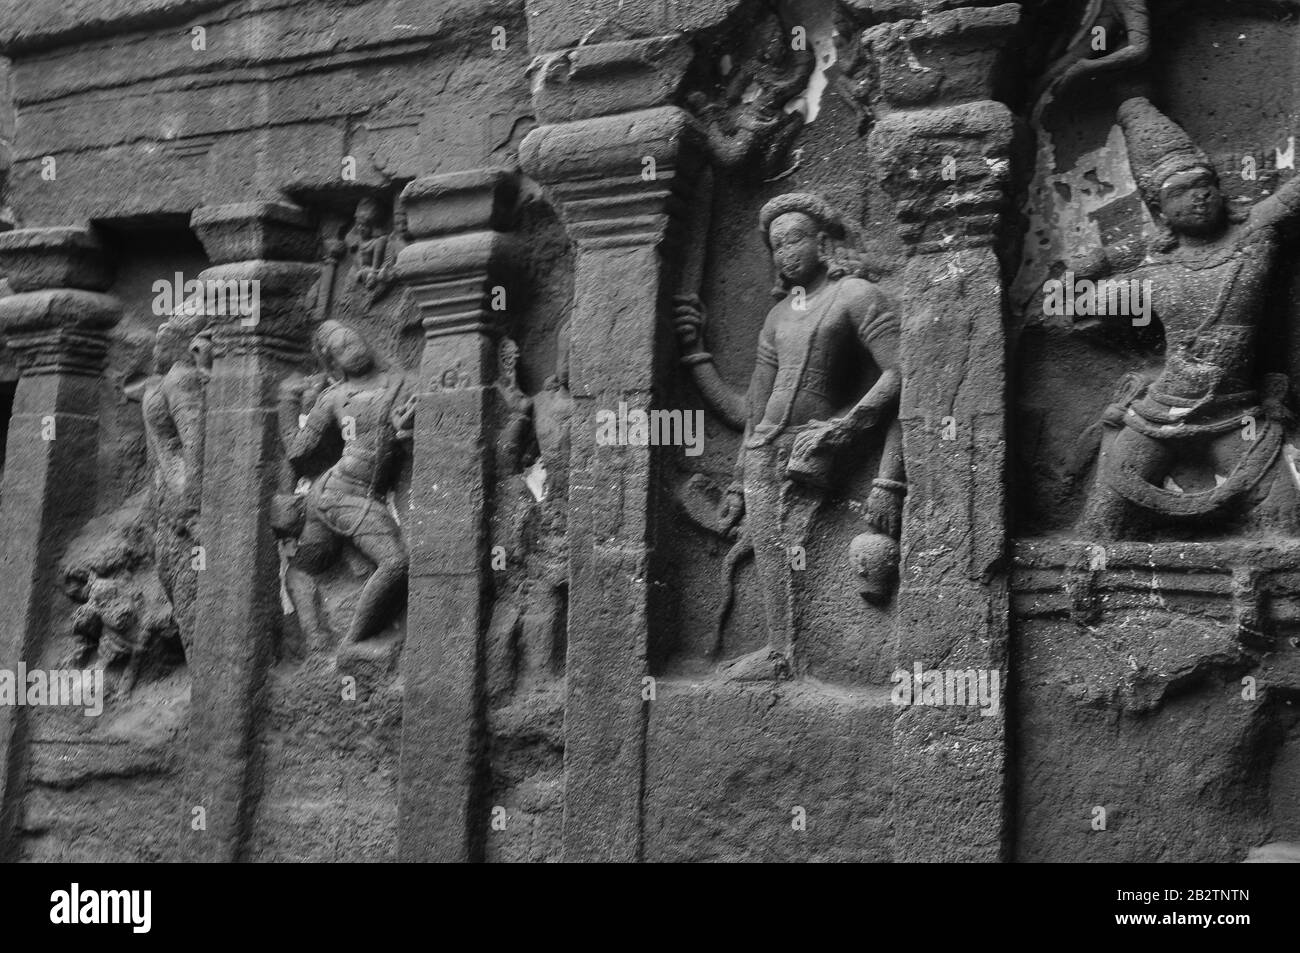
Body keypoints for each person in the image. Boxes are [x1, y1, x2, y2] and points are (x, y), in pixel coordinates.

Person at [675, 192, 905, 681]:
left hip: (815, 448)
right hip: (763, 451)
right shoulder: (777, 318)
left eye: (795, 239)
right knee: (772, 556)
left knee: (798, 551)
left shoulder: (856, 295)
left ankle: (815, 655)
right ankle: (781, 651)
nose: (786, 253)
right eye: (776, 246)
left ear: (823, 242)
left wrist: (847, 425)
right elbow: (749, 410)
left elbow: (902, 371)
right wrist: (696, 354)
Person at [1077, 98, 1300, 539]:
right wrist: (1103, 260)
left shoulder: (1253, 239)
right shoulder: (1153, 275)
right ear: (1160, 212)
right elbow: (1074, 303)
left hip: (1239, 413)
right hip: (1159, 415)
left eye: (1205, 185)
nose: (1199, 195)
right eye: (1180, 192)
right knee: (1101, 524)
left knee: (1285, 523)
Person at [288, 320, 411, 643]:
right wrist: (298, 406)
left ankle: (337, 638)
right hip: (337, 492)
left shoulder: (401, 383)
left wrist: (404, 433)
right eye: (343, 349)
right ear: (332, 363)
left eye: (354, 340)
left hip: (363, 493)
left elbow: (410, 441)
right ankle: (347, 642)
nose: (354, 349)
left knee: (305, 566)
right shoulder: (333, 397)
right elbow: (299, 451)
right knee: (396, 562)